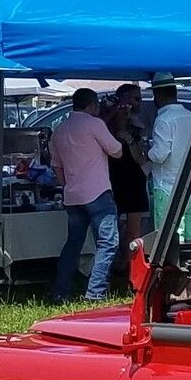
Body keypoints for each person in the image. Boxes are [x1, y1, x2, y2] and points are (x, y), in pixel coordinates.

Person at [49, 87, 122, 303]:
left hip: (73, 195)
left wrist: (68, 185)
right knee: (108, 242)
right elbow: (116, 150)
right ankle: (95, 292)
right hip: (98, 192)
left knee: (73, 244)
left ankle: (61, 291)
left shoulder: (59, 130)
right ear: (92, 105)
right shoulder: (95, 124)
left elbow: (57, 168)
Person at [147, 72, 191, 238]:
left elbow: (160, 155)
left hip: (167, 187)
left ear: (158, 95)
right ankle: (189, 262)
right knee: (188, 234)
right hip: (189, 187)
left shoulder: (164, 120)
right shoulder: (190, 116)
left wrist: (146, 151)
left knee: (167, 238)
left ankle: (171, 265)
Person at [103, 84, 151, 250]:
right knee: (111, 227)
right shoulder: (106, 122)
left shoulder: (137, 125)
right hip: (112, 178)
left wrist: (129, 137)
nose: (139, 103)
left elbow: (141, 158)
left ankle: (131, 265)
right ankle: (117, 262)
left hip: (134, 179)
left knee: (134, 230)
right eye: (136, 99)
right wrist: (115, 111)